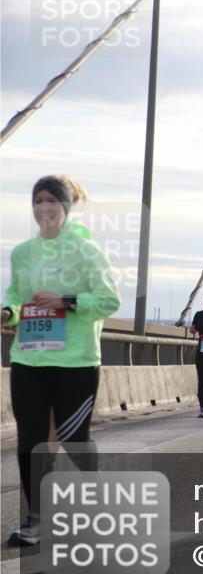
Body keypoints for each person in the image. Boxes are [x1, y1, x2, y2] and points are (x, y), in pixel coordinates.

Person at [2, 176, 121, 546]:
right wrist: (9, 312)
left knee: (74, 441)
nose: (44, 208)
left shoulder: (88, 253)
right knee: (31, 442)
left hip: (76, 362)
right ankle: (36, 519)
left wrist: (67, 301)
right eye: (37, 200)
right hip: (29, 358)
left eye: (52, 200)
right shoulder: (23, 253)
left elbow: (109, 301)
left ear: (66, 208)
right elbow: (17, 296)